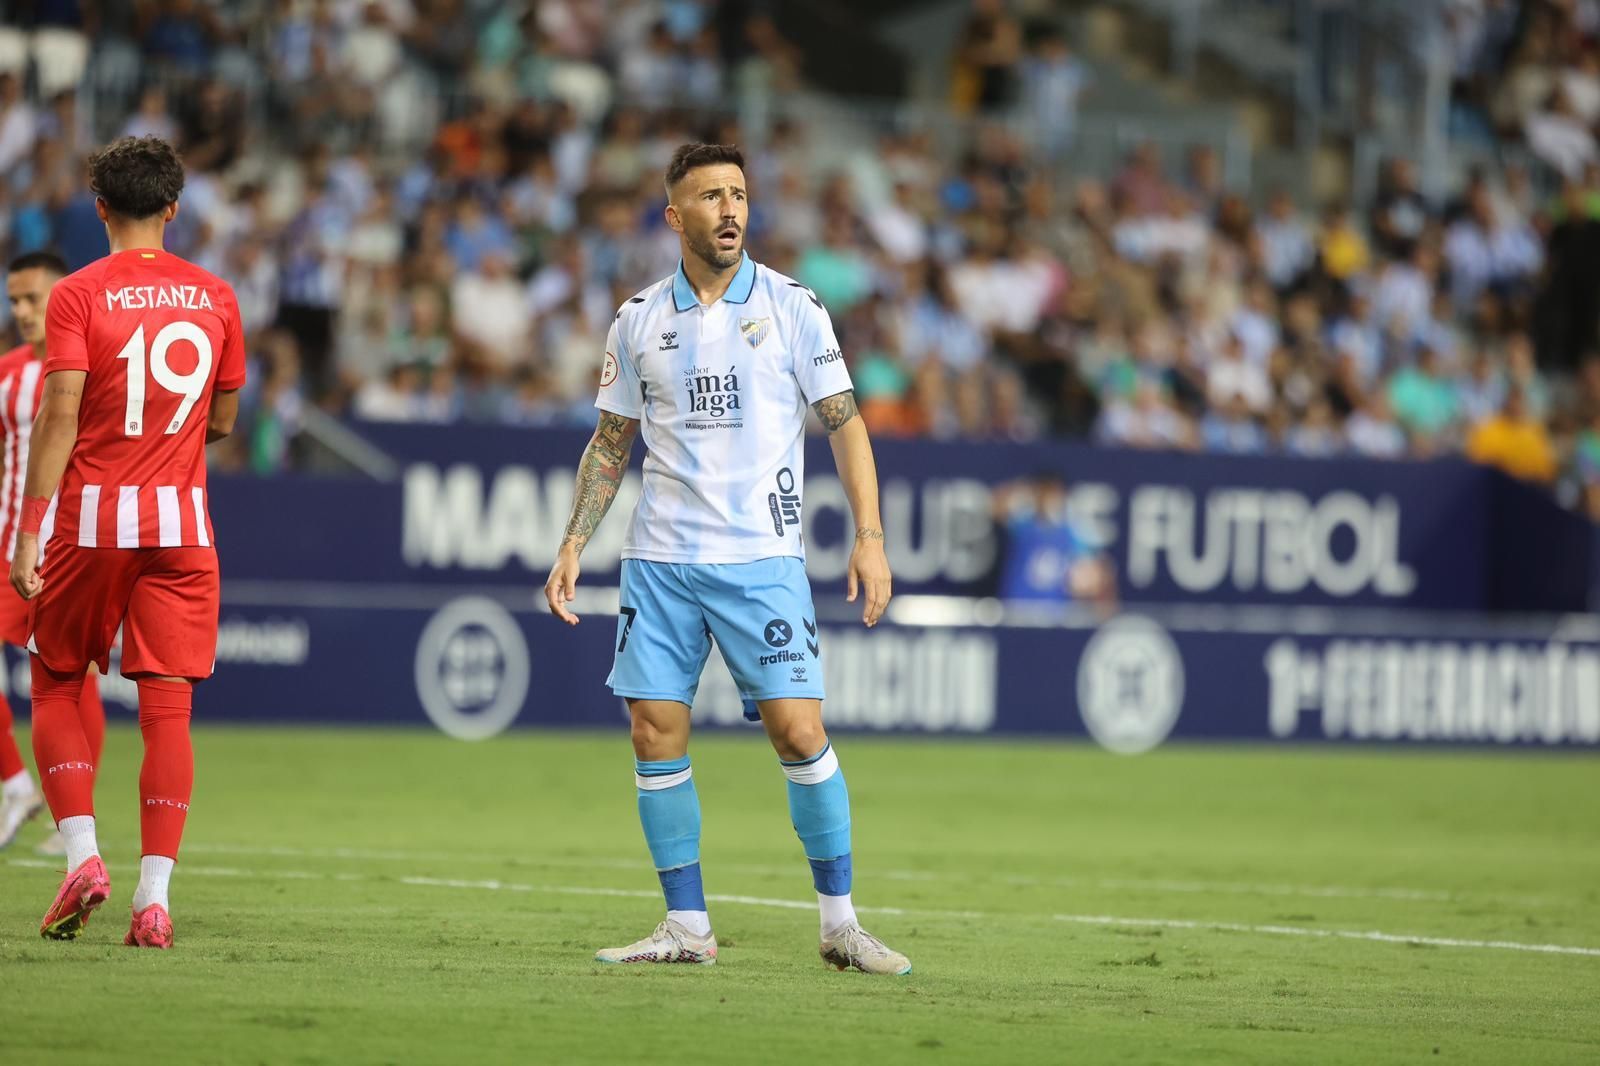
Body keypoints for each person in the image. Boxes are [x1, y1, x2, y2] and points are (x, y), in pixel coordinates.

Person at [543, 143, 910, 975]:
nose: (731, 208)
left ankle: (841, 923)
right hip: (662, 563)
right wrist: (573, 541)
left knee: (799, 728)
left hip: (762, 559)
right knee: (653, 731)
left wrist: (870, 536)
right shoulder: (638, 318)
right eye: (711, 196)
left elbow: (846, 423)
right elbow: (610, 443)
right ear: (676, 218)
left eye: (739, 194)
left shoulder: (792, 306)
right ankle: (686, 927)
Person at [9, 136, 247, 948]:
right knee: (167, 706)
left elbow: (60, 412)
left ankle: (81, 855)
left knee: (53, 678)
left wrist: (30, 526)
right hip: (182, 523)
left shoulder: (77, 294)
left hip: (92, 518)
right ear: (174, 209)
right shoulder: (216, 296)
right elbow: (221, 419)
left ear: (100, 209)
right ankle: (155, 901)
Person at [0, 252, 107, 855]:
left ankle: (74, 820)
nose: (21, 311)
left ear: (63, 298)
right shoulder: (7, 373)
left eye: (32, 299)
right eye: (13, 300)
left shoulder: (93, 364)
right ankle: (18, 782)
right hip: (9, 541)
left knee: (70, 676)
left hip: (68, 544)